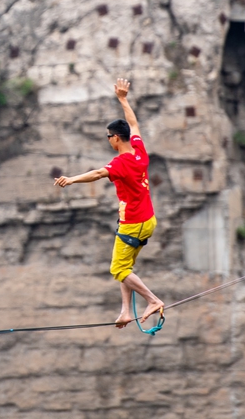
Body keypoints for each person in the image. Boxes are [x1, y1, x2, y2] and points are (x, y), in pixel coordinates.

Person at [54, 78, 165, 328]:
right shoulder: (139, 150)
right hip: (147, 220)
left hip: (133, 222)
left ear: (115, 138)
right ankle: (125, 311)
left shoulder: (121, 163)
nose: (108, 140)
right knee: (126, 266)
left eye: (108, 136)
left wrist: (71, 180)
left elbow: (97, 174)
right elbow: (134, 124)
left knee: (118, 269)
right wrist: (123, 99)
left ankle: (152, 300)